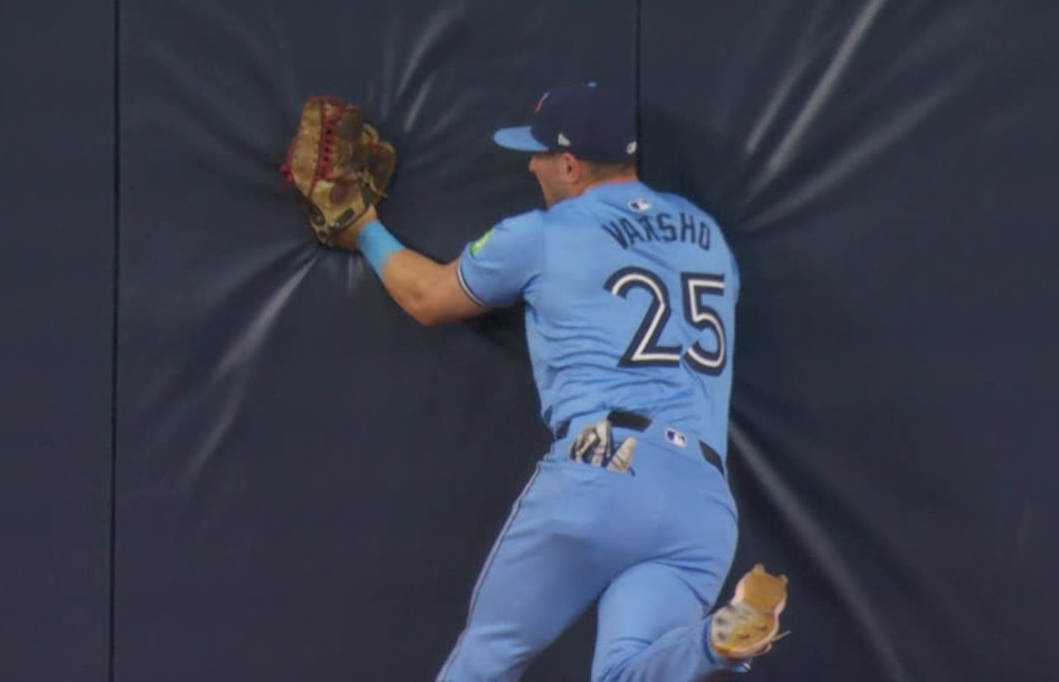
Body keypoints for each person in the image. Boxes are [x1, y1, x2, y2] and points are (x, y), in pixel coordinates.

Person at [335, 82, 788, 681]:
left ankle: (711, 642)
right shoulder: (706, 233)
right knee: (626, 673)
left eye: (540, 153)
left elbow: (426, 297)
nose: (529, 164)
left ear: (570, 165)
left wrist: (361, 225)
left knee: (487, 658)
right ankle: (712, 643)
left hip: (605, 460)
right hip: (701, 496)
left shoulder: (544, 234)